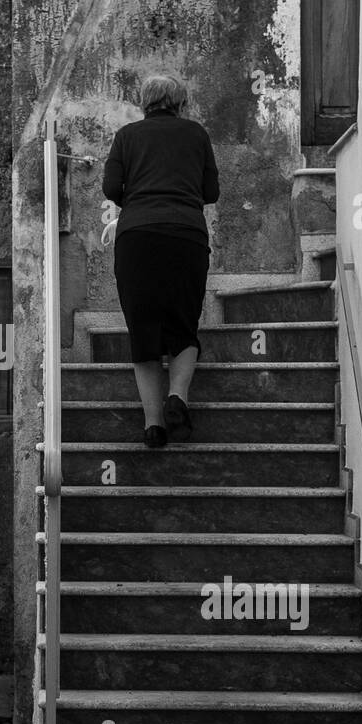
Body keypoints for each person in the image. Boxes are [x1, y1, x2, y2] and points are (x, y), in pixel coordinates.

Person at [102, 74, 220, 448]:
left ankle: (153, 426)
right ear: (181, 103)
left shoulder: (127, 136)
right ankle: (178, 397)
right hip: (186, 235)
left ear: (144, 103)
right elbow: (211, 192)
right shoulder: (197, 134)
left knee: (143, 329)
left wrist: (139, 199)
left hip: (137, 238)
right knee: (183, 323)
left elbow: (110, 189)